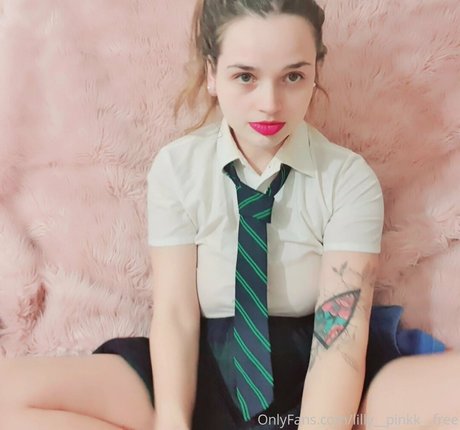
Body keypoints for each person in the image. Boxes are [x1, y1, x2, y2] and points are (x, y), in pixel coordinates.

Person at [0, 1, 457, 429]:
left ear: (316, 72)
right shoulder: (179, 168)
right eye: (245, 77)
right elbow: (175, 313)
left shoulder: (346, 177)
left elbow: (341, 332)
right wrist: (173, 421)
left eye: (293, 76)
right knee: (9, 393)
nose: (270, 103)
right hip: (202, 364)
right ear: (212, 74)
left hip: (324, 366)